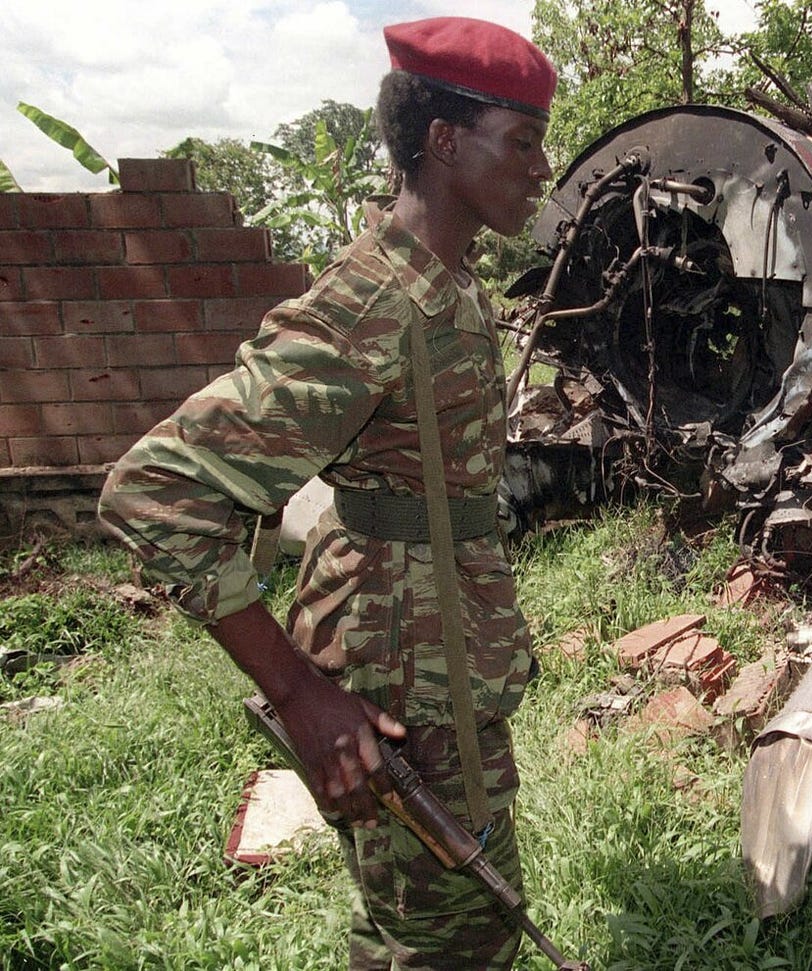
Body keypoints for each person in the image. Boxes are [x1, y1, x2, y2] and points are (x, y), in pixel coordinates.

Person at [98, 17, 556, 969]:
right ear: (444, 142)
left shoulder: (449, 283)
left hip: (443, 664)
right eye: (523, 142)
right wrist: (301, 692)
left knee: (411, 931)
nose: (541, 167)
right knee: (459, 940)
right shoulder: (374, 305)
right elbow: (154, 489)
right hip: (402, 690)